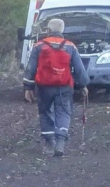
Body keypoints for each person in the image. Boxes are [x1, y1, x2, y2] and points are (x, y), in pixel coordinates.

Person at [23, 18, 88, 157]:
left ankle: (49, 143)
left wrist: (28, 87)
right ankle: (60, 142)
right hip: (64, 87)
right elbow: (79, 70)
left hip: (44, 87)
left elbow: (31, 68)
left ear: (48, 30)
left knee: (45, 112)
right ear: (62, 30)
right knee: (63, 112)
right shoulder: (71, 46)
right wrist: (83, 85)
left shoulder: (38, 46)